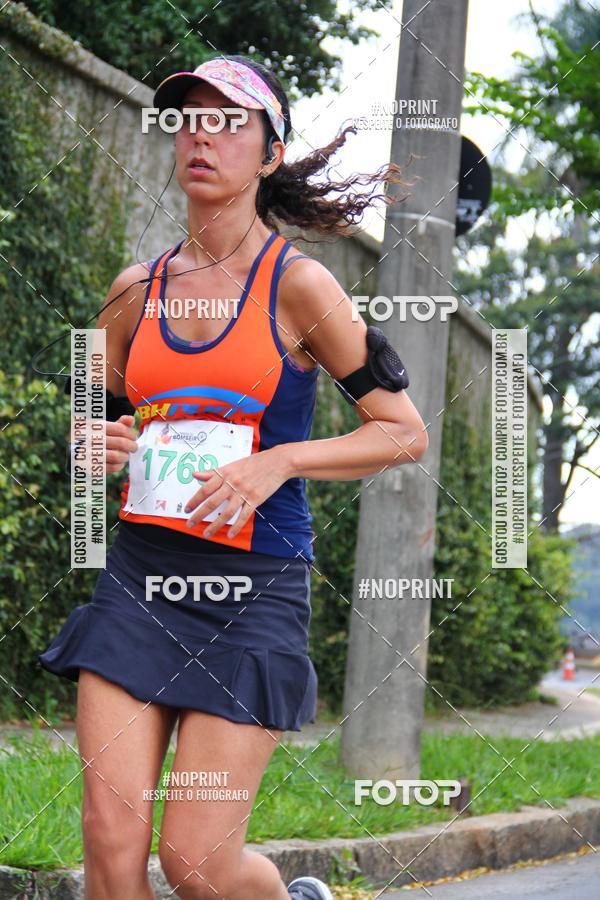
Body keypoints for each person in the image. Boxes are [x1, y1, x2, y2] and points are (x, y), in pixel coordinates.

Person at [37, 54, 428, 900]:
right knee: (109, 845)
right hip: (140, 580)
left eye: (229, 121)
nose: (201, 136)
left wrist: (279, 460)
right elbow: (94, 422)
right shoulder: (131, 294)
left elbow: (403, 434)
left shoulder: (302, 288)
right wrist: (95, 445)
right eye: (188, 119)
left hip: (252, 591)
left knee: (198, 866)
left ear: (272, 154)